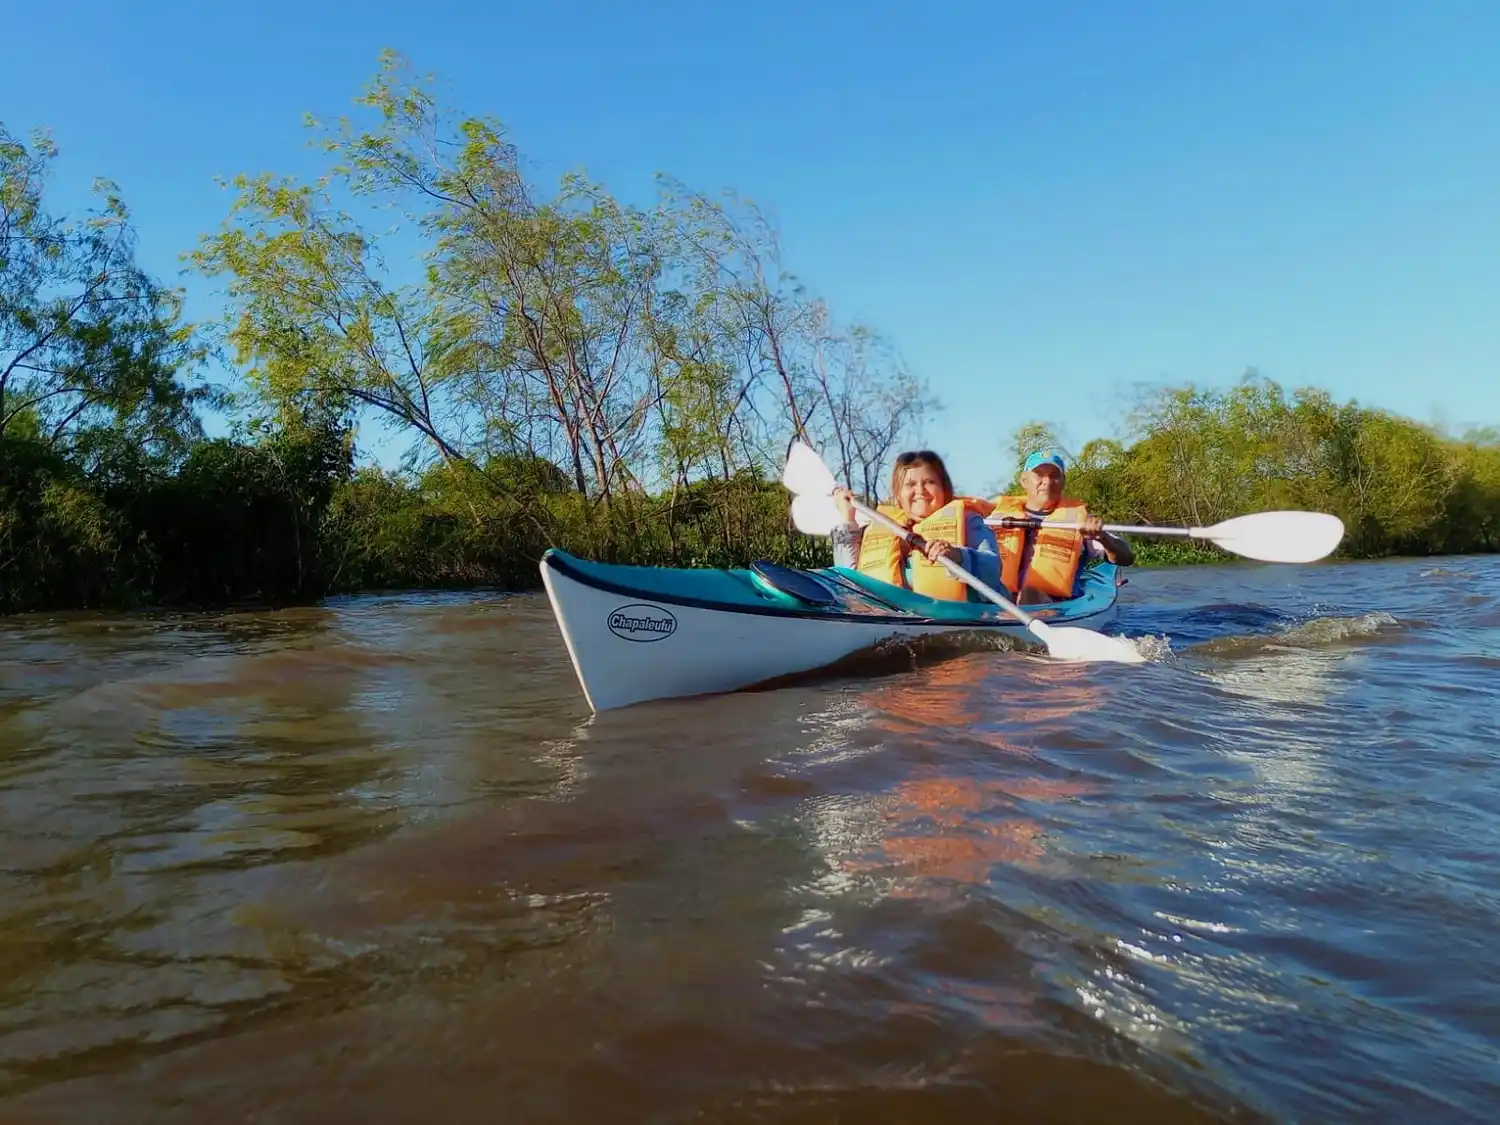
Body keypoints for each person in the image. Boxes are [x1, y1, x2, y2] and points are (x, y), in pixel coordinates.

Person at [829, 449, 1002, 603]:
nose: (920, 490)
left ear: (944, 489)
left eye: (929, 482)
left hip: (962, 620)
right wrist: (847, 516)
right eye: (910, 484)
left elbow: (992, 569)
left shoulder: (969, 521)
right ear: (897, 495)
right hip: (894, 621)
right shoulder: (882, 526)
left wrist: (956, 555)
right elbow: (848, 582)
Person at [988, 450, 1134, 604]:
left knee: (1029, 594)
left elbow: (1126, 558)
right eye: (1039, 474)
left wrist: (1104, 538)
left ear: (1063, 481)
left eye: (1054, 476)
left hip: (1054, 603)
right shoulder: (995, 520)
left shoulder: (1082, 521)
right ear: (1024, 480)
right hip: (1001, 599)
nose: (1047, 481)